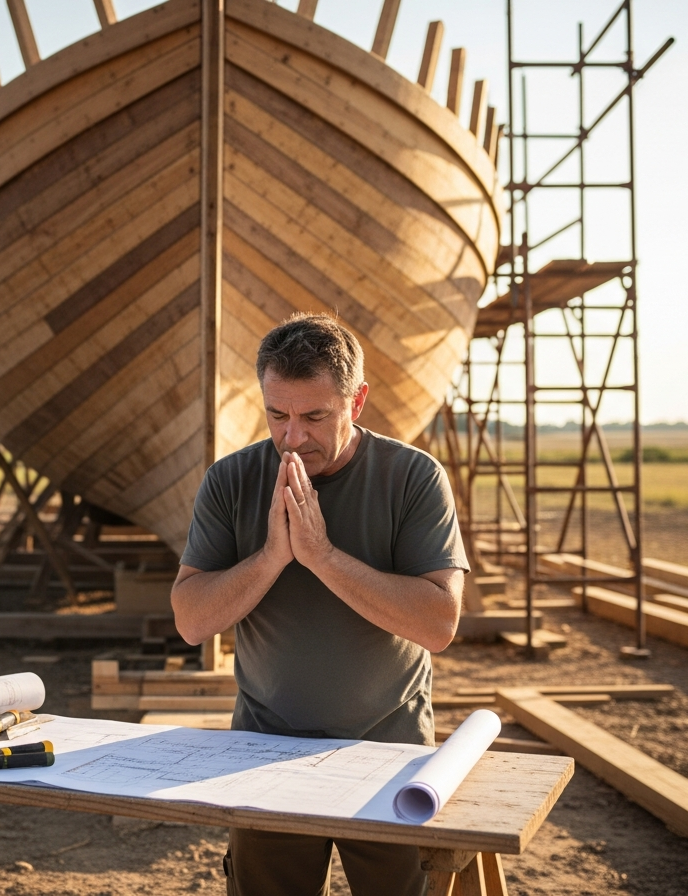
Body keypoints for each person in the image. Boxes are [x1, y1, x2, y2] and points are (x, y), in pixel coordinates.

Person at [171, 313, 469, 896]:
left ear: (356, 401)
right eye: (277, 415)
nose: (292, 437)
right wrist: (270, 559)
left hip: (391, 754)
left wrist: (323, 557)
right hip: (260, 752)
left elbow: (439, 624)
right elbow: (190, 620)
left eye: (314, 417)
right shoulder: (230, 481)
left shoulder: (413, 478)